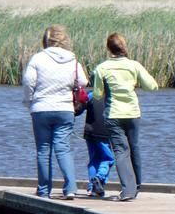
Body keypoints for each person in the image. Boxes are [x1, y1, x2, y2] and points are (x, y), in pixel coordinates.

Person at [22, 25, 88, 199]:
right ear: (63, 40)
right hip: (65, 109)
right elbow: (83, 81)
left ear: (45, 40)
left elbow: (29, 82)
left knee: (44, 150)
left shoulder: (37, 58)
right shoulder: (72, 60)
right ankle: (71, 188)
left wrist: (29, 102)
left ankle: (44, 191)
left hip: (41, 109)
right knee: (63, 148)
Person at [92, 33, 159, 201]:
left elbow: (98, 95)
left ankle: (128, 191)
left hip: (114, 114)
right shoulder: (134, 65)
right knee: (134, 148)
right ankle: (136, 186)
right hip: (133, 114)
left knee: (121, 152)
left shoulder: (102, 68)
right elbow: (152, 86)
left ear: (109, 48)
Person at [83, 91, 115, 198]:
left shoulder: (91, 95)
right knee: (108, 158)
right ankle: (99, 178)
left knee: (94, 159)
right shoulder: (112, 94)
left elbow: (79, 107)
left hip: (90, 131)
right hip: (104, 131)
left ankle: (92, 188)